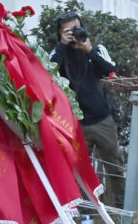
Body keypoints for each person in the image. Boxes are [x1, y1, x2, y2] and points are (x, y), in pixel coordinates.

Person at [50, 11, 125, 208]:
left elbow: (112, 72)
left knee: (115, 166)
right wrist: (62, 46)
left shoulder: (97, 49)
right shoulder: (58, 53)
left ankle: (121, 209)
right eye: (68, 31)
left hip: (102, 119)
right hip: (74, 124)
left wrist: (89, 50)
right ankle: (86, 215)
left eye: (76, 29)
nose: (74, 34)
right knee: (80, 171)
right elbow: (47, 74)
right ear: (60, 34)